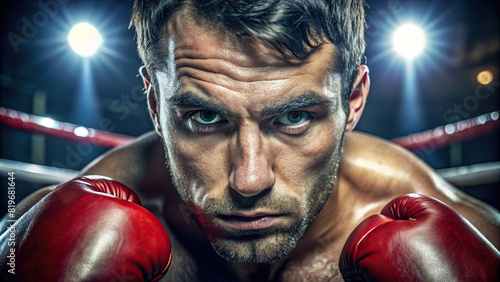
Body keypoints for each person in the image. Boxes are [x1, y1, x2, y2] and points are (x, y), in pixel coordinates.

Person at [1, 0, 499, 281]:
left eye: (295, 118)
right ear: (155, 105)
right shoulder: (84, 221)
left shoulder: (453, 227)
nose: (249, 179)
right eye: (203, 116)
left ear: (353, 101)